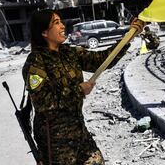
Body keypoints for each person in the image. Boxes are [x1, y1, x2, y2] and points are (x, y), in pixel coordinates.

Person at [22, 9, 144, 165]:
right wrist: (79, 90)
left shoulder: (68, 52)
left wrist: (129, 36)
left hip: (78, 130)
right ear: (45, 32)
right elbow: (43, 102)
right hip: (55, 141)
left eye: (61, 21)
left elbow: (101, 59)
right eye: (56, 23)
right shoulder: (35, 63)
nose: (63, 26)